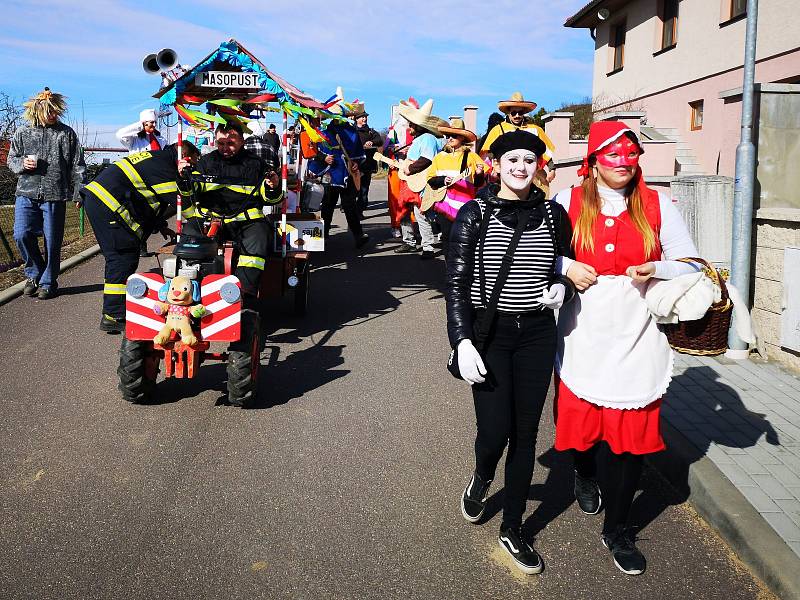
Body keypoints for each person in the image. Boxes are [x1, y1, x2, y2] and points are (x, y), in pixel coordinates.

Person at [553, 121, 700, 576]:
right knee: (582, 425)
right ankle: (584, 471)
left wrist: (657, 264)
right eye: (612, 155)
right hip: (584, 330)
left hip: (639, 330)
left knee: (631, 441)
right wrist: (567, 264)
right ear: (593, 160)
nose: (623, 162)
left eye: (630, 155)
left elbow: (691, 261)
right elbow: (538, 250)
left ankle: (618, 529)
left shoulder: (657, 203)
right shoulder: (567, 201)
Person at [446, 130, 576, 575]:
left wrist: (561, 287)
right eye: (512, 160)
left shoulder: (555, 214)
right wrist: (461, 341)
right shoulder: (474, 213)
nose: (521, 168)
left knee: (525, 434)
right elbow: (457, 287)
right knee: (495, 430)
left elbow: (565, 265)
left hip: (537, 335)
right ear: (496, 164)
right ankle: (483, 476)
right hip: (492, 334)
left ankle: (513, 527)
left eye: (529, 160)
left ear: (540, 166)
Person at [81, 142, 200, 333]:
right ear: (184, 157)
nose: (193, 168)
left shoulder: (158, 159)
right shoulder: (165, 168)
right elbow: (181, 202)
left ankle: (115, 311)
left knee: (122, 256)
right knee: (122, 257)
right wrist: (200, 221)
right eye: (193, 162)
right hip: (108, 204)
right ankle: (114, 315)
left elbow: (149, 196)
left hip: (102, 201)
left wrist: (161, 226)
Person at [179, 122, 283, 309]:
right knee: (189, 234)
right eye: (221, 143)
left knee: (259, 239)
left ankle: (241, 294)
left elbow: (272, 199)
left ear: (242, 141)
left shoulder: (256, 164)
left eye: (231, 143)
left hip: (246, 221)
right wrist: (183, 178)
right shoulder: (206, 162)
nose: (225, 148)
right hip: (210, 219)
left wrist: (273, 186)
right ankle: (190, 290)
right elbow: (190, 191)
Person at [6, 87, 85, 300]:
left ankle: (48, 282)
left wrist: (78, 193)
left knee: (52, 241)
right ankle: (34, 273)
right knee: (21, 234)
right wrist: (22, 163)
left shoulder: (66, 133)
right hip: (26, 192)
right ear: (38, 110)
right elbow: (11, 160)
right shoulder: (22, 132)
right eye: (50, 111)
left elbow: (77, 165)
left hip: (55, 194)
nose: (54, 115)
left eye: (56, 111)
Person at [306, 119, 370, 249]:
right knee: (328, 206)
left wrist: (356, 163)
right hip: (330, 175)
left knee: (349, 206)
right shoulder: (323, 134)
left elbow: (357, 154)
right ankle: (324, 235)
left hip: (347, 175)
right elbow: (313, 150)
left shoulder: (351, 132)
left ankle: (358, 236)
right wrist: (323, 158)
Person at [394, 98, 445, 259]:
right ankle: (426, 242)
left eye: (411, 125)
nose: (409, 128)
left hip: (422, 183)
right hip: (415, 183)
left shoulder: (427, 139)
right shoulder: (421, 139)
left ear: (418, 125)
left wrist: (409, 168)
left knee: (424, 213)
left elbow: (426, 159)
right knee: (420, 212)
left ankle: (429, 246)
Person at [426, 118, 485, 255]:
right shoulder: (439, 157)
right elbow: (430, 180)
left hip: (466, 207)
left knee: (465, 241)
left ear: (463, 138)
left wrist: (480, 173)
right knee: (447, 239)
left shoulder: (471, 156)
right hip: (444, 206)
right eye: (448, 136)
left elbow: (479, 184)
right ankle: (450, 270)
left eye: (454, 135)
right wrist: (442, 180)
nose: (450, 138)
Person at [479, 92, 557, 187]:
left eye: (520, 113)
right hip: (506, 176)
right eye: (513, 113)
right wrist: (493, 169)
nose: (517, 116)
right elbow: (488, 153)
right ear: (508, 112)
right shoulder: (498, 130)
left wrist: (552, 169)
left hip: (533, 176)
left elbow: (545, 151)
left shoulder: (535, 130)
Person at [350, 104, 382, 217]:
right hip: (354, 165)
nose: (364, 119)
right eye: (362, 117)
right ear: (356, 119)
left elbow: (379, 140)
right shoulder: (352, 130)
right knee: (353, 190)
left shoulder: (370, 131)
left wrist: (372, 142)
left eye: (365, 117)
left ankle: (359, 211)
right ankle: (351, 210)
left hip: (367, 165)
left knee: (364, 191)